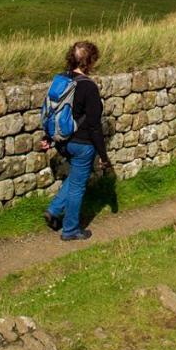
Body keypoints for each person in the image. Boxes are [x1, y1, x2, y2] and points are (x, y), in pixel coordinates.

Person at [41, 40, 112, 241]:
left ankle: (54, 211)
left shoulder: (61, 80)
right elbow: (94, 125)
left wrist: (48, 136)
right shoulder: (89, 87)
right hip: (83, 144)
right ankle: (71, 229)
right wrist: (103, 155)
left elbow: (52, 110)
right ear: (89, 62)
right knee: (78, 186)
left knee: (75, 178)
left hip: (63, 141)